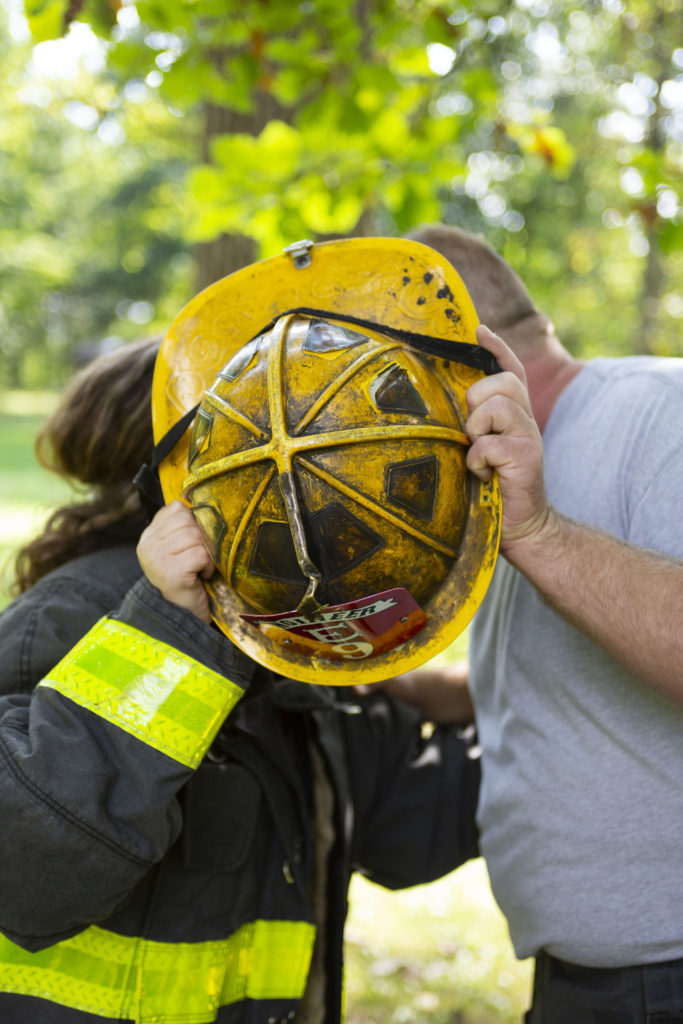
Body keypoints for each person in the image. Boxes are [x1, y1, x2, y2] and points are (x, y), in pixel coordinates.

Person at [0, 333, 481, 1023]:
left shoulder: (271, 629)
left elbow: (406, 824)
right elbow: (27, 871)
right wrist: (178, 634)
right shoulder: (74, 615)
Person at [384, 223, 683, 1023]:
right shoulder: (500, 462)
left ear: (461, 350)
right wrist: (397, 680)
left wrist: (538, 536)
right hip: (591, 976)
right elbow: (544, 672)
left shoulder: (660, 413)